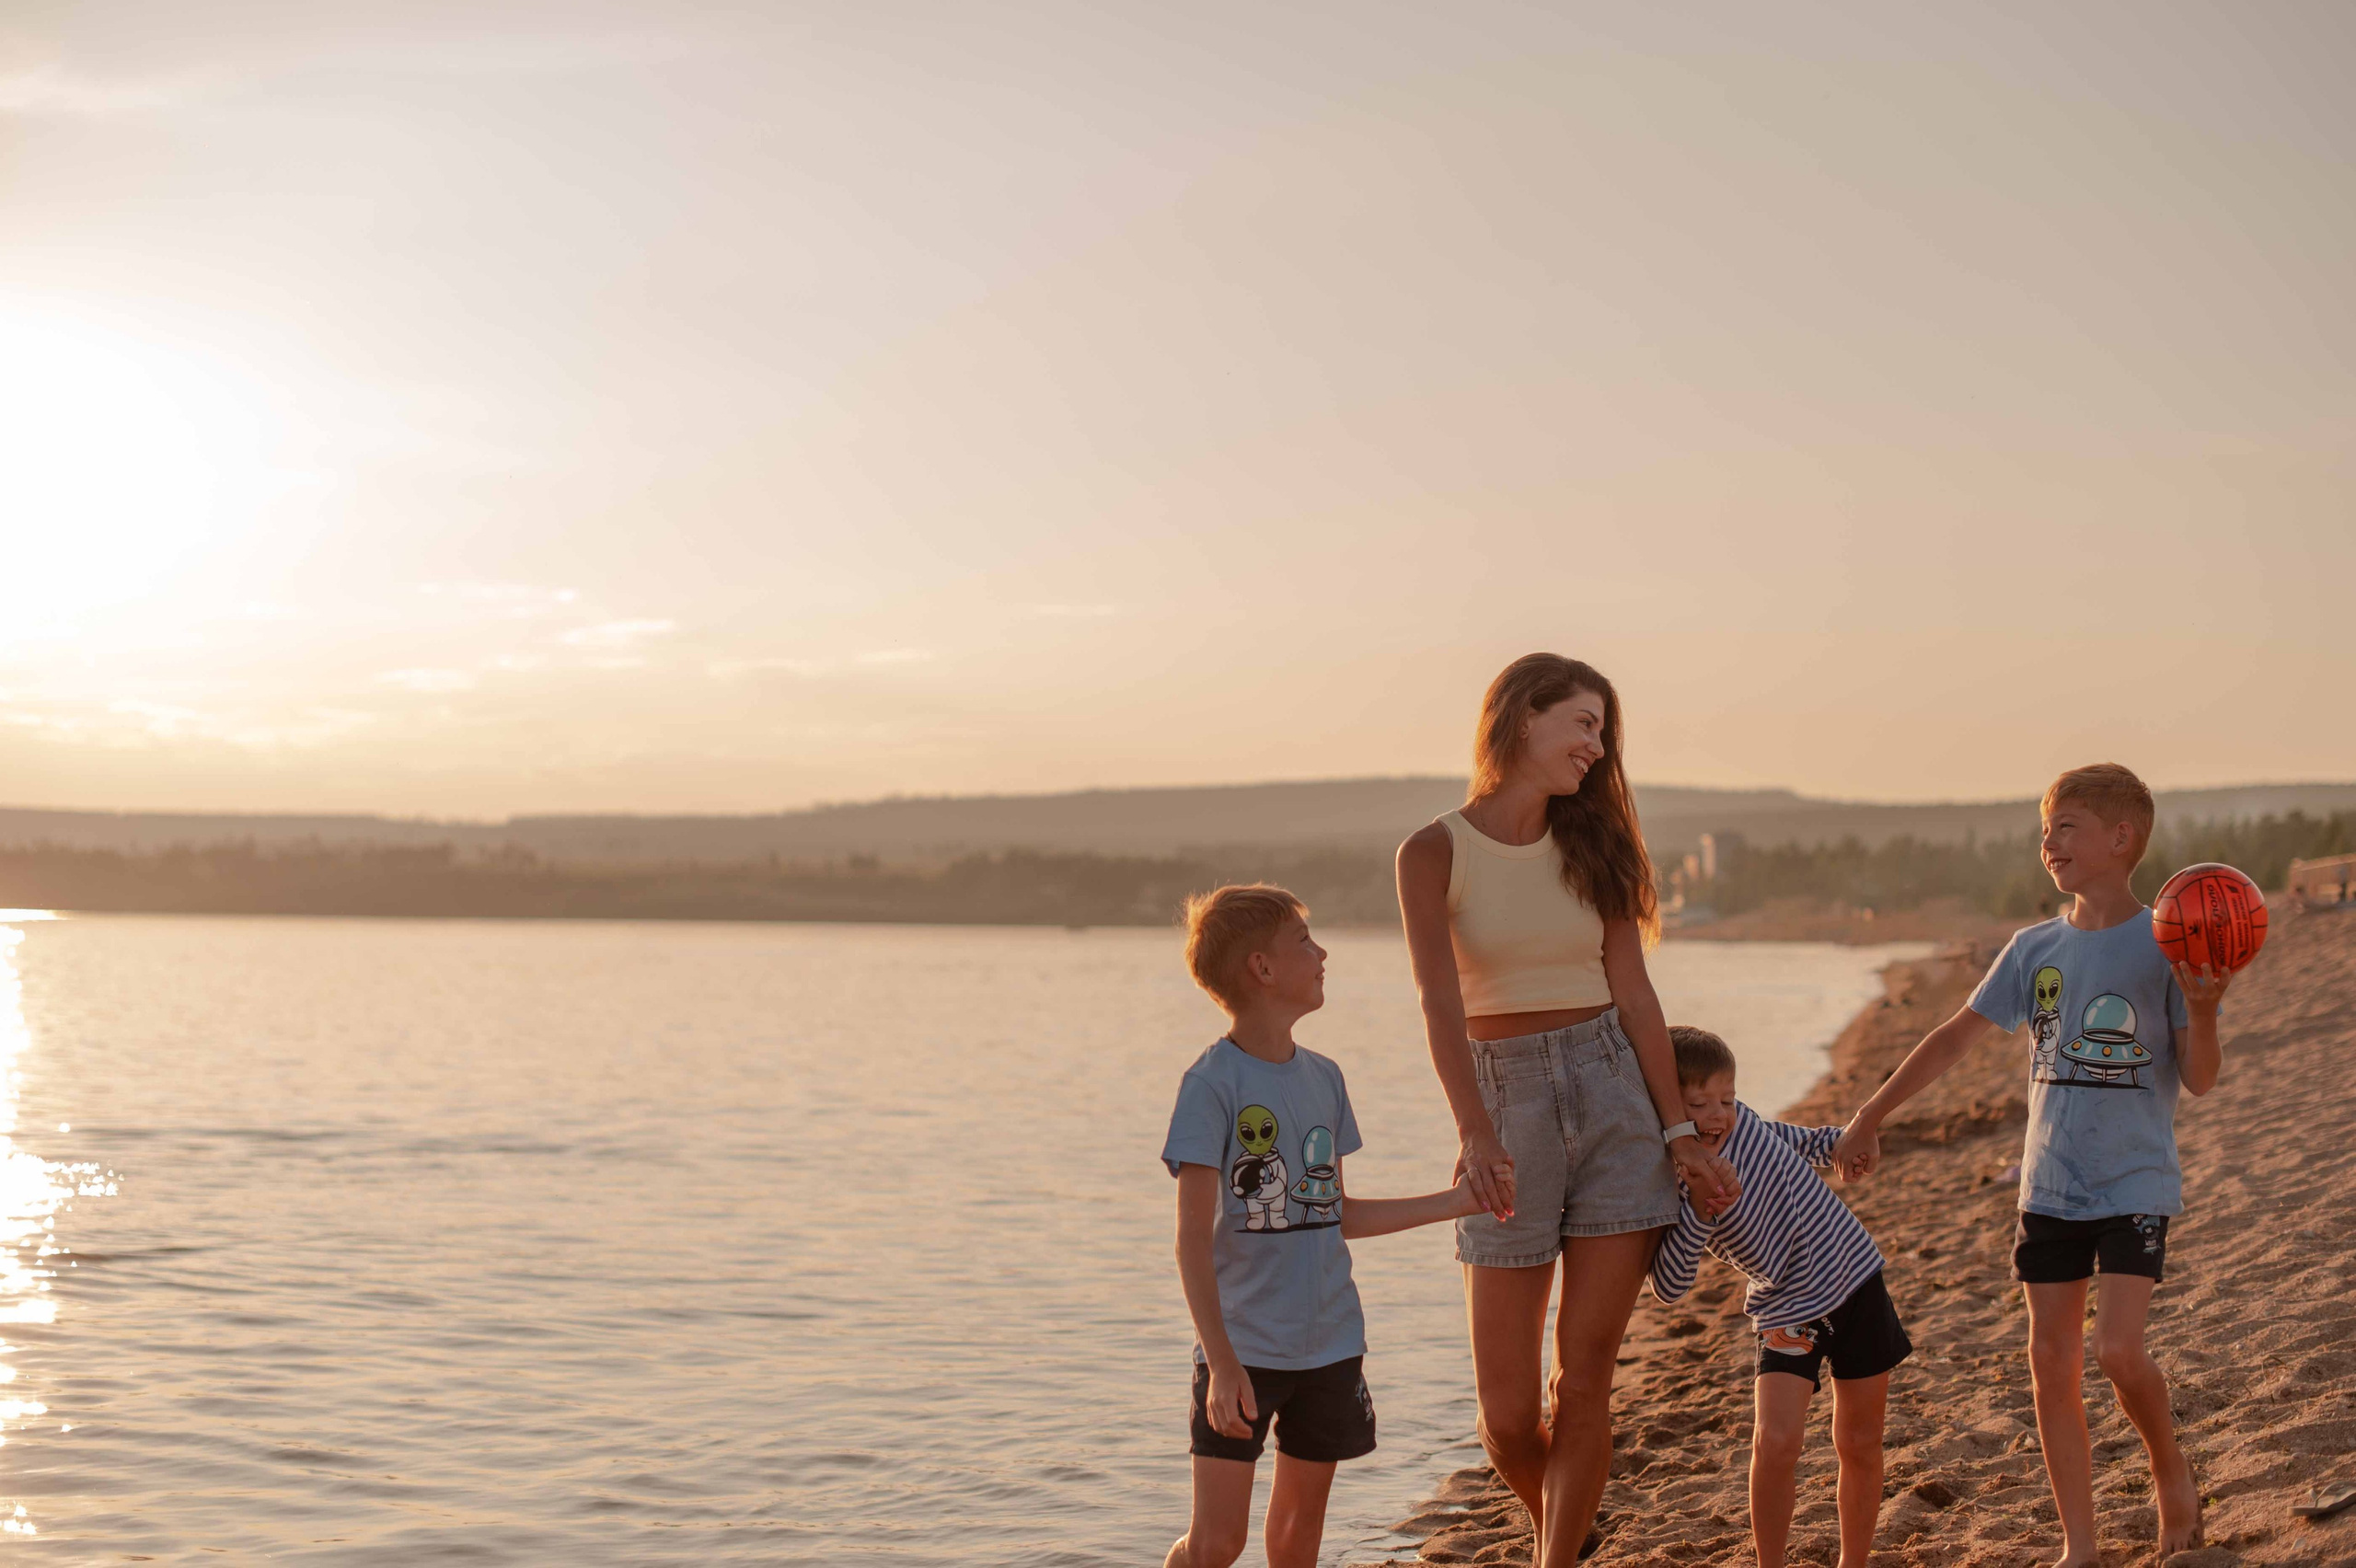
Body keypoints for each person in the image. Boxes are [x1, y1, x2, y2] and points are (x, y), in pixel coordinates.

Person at [1833, 763, 2230, 1566]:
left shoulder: (2166, 943)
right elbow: (1951, 1036)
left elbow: (2199, 1077)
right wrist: (1870, 1114)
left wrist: (2203, 1008)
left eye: (2068, 826)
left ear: (2123, 838)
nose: (2049, 842)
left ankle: (2168, 1466)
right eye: (2044, 829)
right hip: (2049, 1184)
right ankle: (2078, 1547)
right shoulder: (2033, 948)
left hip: (2134, 1181)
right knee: (2051, 1364)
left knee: (2118, 1351)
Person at [1395, 652, 1738, 1566]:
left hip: (1614, 1096)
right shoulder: (1432, 851)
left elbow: (1635, 998)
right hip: (1504, 1105)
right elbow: (1437, 1004)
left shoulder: (1598, 846)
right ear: (1520, 715)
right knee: (1507, 1418)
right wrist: (1474, 1129)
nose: (1596, 747)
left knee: (1582, 1382)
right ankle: (1568, 1530)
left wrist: (1675, 1130)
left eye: (1602, 730)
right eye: (1582, 723)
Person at [1161, 883, 1480, 1568]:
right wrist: (1219, 1362)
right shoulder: (1211, 1085)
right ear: (1262, 968)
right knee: (1217, 1545)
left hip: (1330, 1344)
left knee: (1297, 1539)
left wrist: (1455, 1203)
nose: (1323, 952)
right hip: (1242, 1349)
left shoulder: (1326, 1079)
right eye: (1304, 940)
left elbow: (1332, 1213)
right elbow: (1190, 1242)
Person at [1649, 1027, 1910, 1568]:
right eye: (1698, 1104)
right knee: (1775, 1443)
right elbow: (1667, 1286)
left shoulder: (1744, 1123)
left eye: (1726, 1097)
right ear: (1667, 1107)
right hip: (1787, 1312)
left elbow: (1803, 1141)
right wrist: (1702, 1210)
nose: (1718, 1114)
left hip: (1856, 1280)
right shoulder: (1670, 1184)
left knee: (1859, 1443)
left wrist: (1848, 1141)